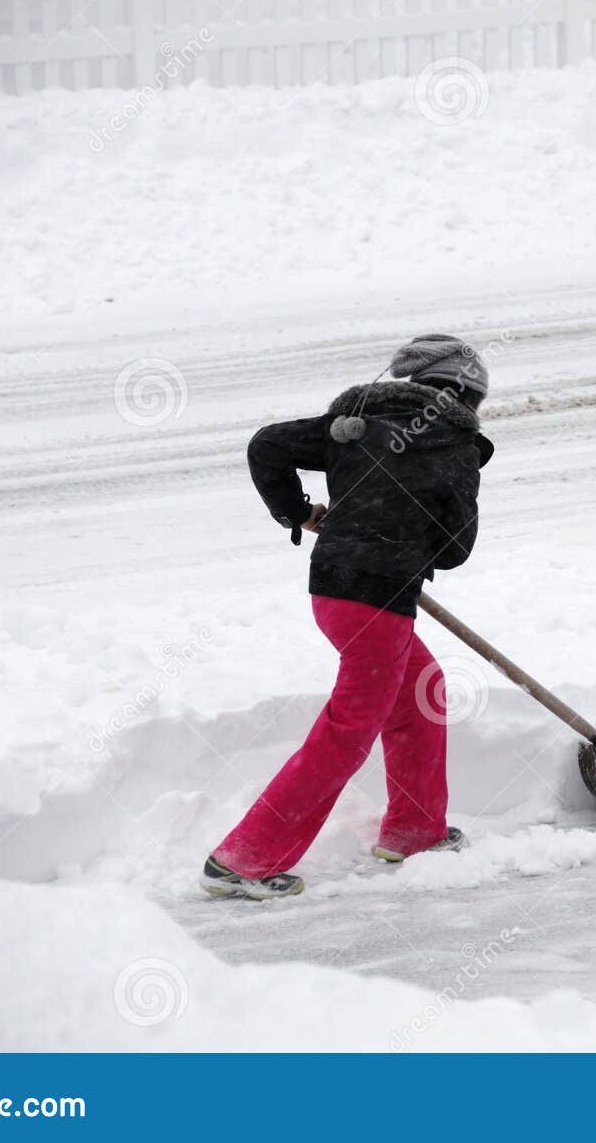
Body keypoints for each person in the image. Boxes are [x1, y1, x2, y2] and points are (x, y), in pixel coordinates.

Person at [202, 335, 493, 899]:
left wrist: (300, 511)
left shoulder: (358, 420)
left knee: (421, 691)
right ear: (465, 396)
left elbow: (267, 445)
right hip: (378, 604)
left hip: (333, 591)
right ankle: (245, 859)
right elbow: (456, 550)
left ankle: (416, 830)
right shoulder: (456, 445)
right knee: (347, 733)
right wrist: (408, 537)